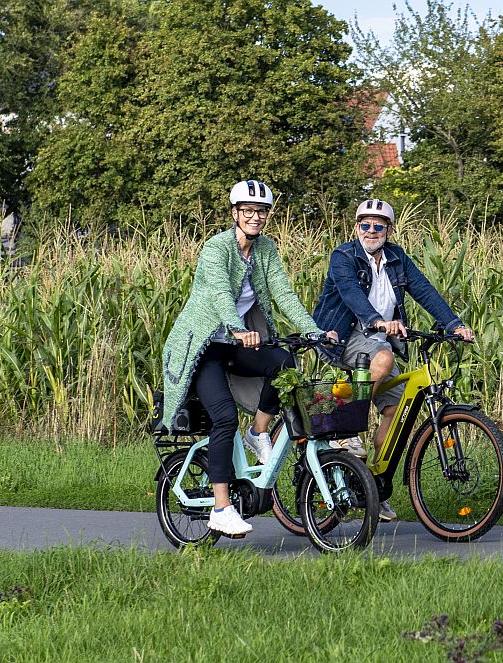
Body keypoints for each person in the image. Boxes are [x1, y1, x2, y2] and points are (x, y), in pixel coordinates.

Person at [160, 180, 328, 537]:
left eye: (262, 211)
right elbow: (221, 291)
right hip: (202, 348)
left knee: (284, 364)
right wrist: (237, 329)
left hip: (234, 346)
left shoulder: (265, 249)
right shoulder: (215, 248)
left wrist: (313, 330)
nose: (256, 217)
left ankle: (258, 432)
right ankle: (221, 508)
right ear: (235, 213)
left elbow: (283, 292)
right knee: (223, 419)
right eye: (248, 211)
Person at [312, 198, 474, 522]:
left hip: (377, 340)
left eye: (378, 225)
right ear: (356, 227)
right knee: (384, 358)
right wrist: (376, 320)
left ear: (389, 229)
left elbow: (425, 291)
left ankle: (373, 485)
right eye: (365, 225)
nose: (371, 231)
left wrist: (454, 324)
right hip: (343, 336)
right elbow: (350, 294)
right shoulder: (344, 256)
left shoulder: (397, 259)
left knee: (396, 412)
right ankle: (346, 429)